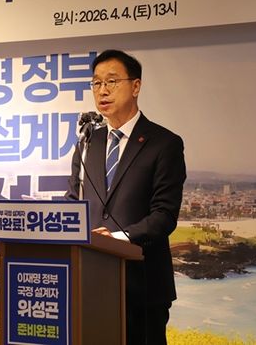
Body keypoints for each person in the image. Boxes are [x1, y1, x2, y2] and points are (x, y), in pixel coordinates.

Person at [66, 49, 186, 344]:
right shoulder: (87, 143)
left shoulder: (164, 144)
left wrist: (118, 238)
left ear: (135, 86)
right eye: (96, 83)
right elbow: (72, 202)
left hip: (142, 285)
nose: (102, 91)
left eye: (111, 81)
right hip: (89, 282)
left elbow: (164, 215)